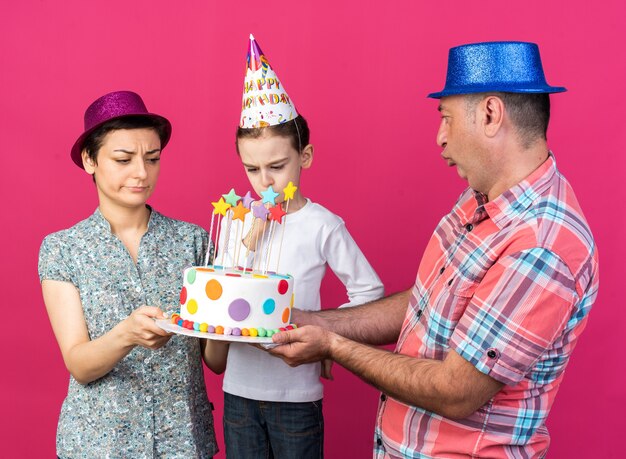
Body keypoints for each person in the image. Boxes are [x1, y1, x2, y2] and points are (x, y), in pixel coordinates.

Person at [268, 41, 599, 458]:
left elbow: (456, 391)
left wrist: (332, 347)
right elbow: (429, 302)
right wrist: (310, 321)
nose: (440, 137)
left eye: (446, 118)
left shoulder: (541, 245)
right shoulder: (478, 198)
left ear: (491, 115)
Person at [217, 35, 385, 458]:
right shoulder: (234, 220)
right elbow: (220, 294)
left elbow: (370, 292)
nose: (264, 182)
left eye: (277, 166)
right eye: (252, 169)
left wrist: (328, 337)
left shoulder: (321, 224)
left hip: (296, 396)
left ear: (304, 157)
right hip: (237, 391)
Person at [39, 90, 228, 458]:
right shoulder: (62, 249)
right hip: (97, 445)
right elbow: (79, 364)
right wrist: (126, 334)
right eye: (123, 159)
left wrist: (229, 311)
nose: (141, 173)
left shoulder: (195, 242)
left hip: (184, 443)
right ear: (89, 159)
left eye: (152, 158)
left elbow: (215, 361)